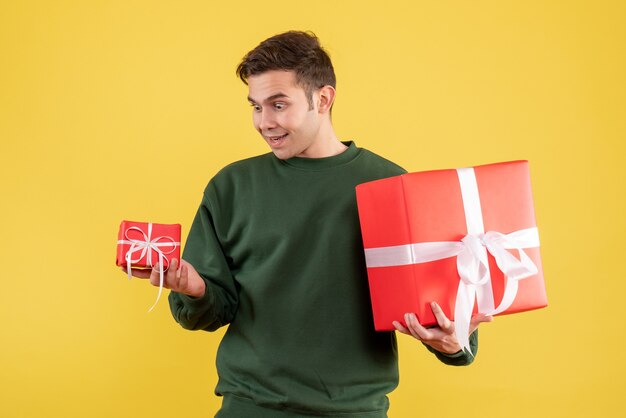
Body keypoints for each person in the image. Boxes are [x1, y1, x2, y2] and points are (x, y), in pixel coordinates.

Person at [125, 31, 492, 418]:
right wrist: (194, 288)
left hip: (353, 410)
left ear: (323, 99)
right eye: (255, 106)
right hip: (249, 407)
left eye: (278, 105)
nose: (264, 122)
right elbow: (211, 311)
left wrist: (455, 342)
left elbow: (440, 315)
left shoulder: (393, 187)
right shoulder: (231, 187)